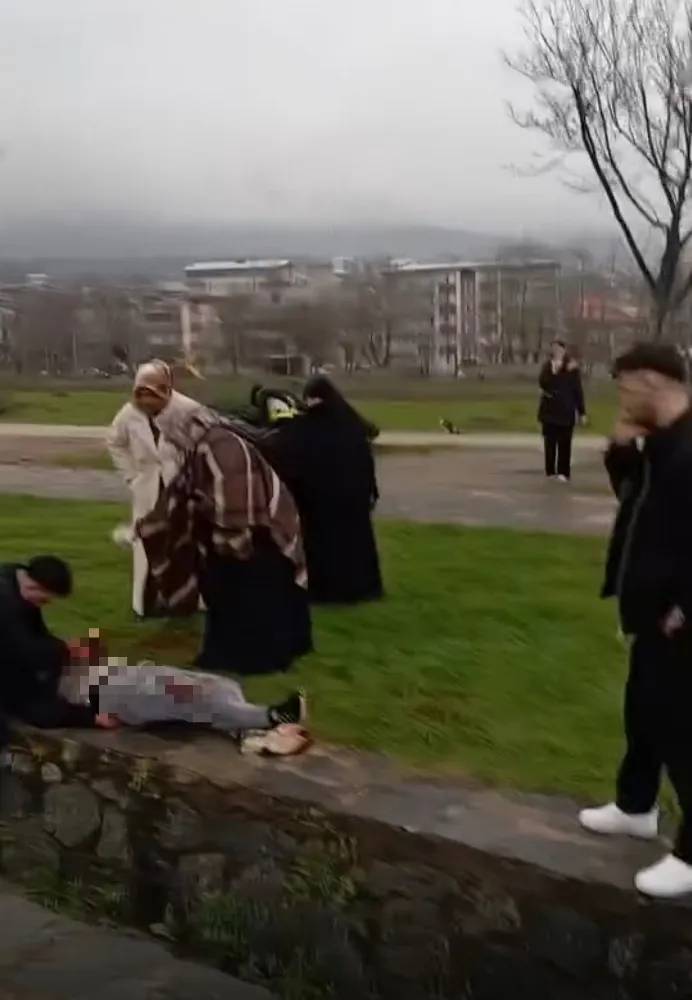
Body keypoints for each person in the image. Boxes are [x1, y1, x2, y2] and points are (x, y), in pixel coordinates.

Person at [578, 343, 692, 899]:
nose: (620, 399)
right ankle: (635, 805)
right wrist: (622, 447)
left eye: (625, 387)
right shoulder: (665, 444)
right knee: (644, 711)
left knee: (681, 727)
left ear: (653, 380)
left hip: (679, 616)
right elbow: (636, 501)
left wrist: (685, 610)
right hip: (651, 609)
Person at [136, 404, 313, 675]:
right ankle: (232, 654)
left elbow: (236, 502)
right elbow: (183, 490)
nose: (171, 443)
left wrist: (225, 541)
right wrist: (154, 524)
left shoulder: (221, 446)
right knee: (228, 595)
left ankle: (256, 660)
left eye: (171, 436)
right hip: (237, 533)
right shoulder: (205, 444)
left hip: (257, 535)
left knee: (255, 598)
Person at [264, 376, 383, 605]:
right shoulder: (352, 425)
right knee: (356, 547)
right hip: (353, 500)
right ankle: (362, 589)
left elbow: (289, 459)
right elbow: (366, 462)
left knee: (324, 547)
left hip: (319, 503)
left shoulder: (305, 427)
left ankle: (326, 591)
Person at [60, 642, 309, 752]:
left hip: (117, 673)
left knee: (220, 684)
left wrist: (75, 652)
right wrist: (90, 718)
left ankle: (247, 733)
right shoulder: (41, 676)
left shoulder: (38, 635)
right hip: (105, 694)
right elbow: (41, 707)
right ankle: (270, 717)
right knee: (187, 695)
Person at [106, 360, 199, 618]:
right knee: (147, 540)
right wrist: (131, 475)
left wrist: (191, 472)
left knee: (184, 541)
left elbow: (204, 443)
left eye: (153, 395)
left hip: (181, 485)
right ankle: (147, 602)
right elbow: (115, 442)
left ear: (166, 390)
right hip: (147, 486)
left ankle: (187, 601)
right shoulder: (128, 413)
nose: (147, 402)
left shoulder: (188, 410)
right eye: (141, 394)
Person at [0, 556, 114, 730]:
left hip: (14, 658)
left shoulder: (18, 586)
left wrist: (65, 648)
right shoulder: (6, 606)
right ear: (33, 587)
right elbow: (25, 653)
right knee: (36, 706)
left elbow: (35, 634)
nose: (43, 605)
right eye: (43, 600)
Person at [538, 341, 587, 482]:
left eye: (559, 349)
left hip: (566, 410)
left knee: (565, 443)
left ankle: (563, 472)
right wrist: (553, 370)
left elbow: (577, 390)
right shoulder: (547, 366)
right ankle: (550, 471)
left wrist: (582, 412)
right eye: (554, 349)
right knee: (549, 443)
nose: (557, 351)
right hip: (549, 410)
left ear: (564, 351)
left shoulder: (571, 367)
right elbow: (543, 383)